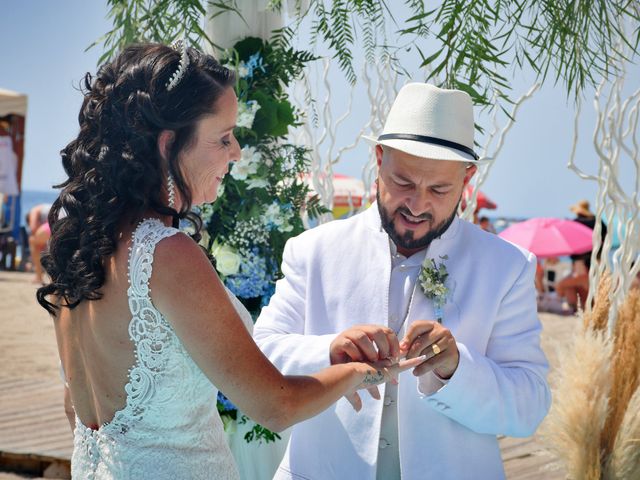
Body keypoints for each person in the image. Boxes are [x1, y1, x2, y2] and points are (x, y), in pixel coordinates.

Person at [35, 43, 420, 479]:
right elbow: (276, 405)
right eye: (223, 137)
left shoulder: (76, 252)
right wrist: (359, 374)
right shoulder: (166, 254)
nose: (236, 152)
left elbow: (76, 412)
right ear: (168, 145)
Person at [254, 83, 551, 480]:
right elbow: (259, 358)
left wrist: (457, 368)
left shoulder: (507, 267)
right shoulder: (313, 250)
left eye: (438, 189)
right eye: (404, 183)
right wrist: (330, 350)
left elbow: (528, 408)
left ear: (467, 180)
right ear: (378, 160)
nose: (416, 204)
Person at [26, 203, 52, 283]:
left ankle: (38, 277)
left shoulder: (34, 210)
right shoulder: (46, 209)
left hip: (56, 223)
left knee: (32, 240)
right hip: (68, 222)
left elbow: (33, 228)